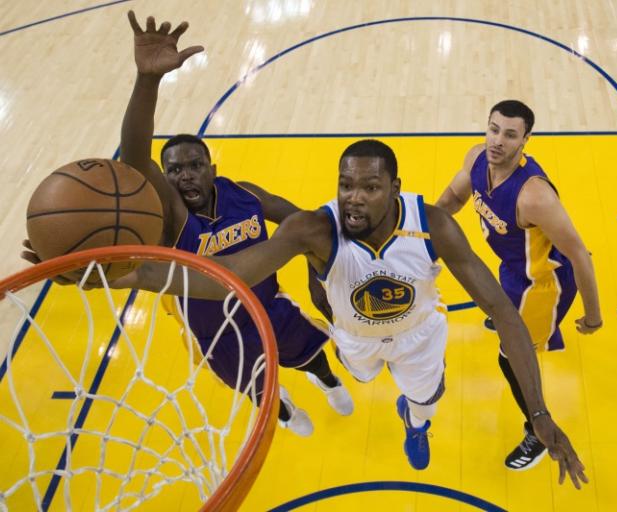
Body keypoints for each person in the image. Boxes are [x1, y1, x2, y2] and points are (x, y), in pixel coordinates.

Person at [112, 138, 588, 488]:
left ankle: (413, 420)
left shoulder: (433, 226)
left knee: (428, 399)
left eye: (370, 187)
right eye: (345, 185)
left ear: (395, 188)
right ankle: (353, 375)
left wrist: (540, 413)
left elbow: (504, 313)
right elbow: (228, 273)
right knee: (356, 372)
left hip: (419, 335)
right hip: (355, 336)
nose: (353, 197)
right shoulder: (314, 229)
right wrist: (131, 275)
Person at [116, 11, 355, 436]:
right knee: (259, 389)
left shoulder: (244, 195)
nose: (185, 174)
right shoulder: (171, 216)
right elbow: (135, 157)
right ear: (165, 178)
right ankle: (284, 410)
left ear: (212, 167)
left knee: (312, 354)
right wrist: (147, 80)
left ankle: (326, 378)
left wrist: (314, 263)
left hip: (269, 305)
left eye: (194, 165)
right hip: (216, 329)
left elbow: (303, 221)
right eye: (174, 170)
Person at [436, 99, 602, 471]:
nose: (498, 141)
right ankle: (509, 321)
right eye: (494, 129)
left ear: (526, 139)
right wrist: (421, 239)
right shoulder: (477, 158)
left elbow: (581, 256)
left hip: (544, 285)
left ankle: (535, 430)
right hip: (513, 270)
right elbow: (452, 199)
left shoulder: (534, 196)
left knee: (510, 358)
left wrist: (593, 317)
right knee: (503, 321)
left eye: (510, 135)